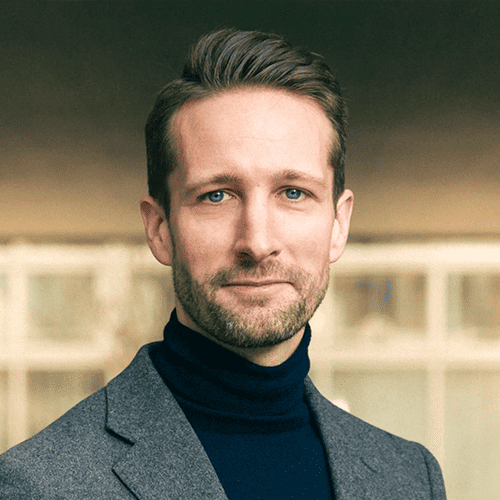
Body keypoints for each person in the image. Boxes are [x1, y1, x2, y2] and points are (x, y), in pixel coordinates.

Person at [0, 29, 446, 499]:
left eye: (294, 192)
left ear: (338, 224)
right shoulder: (37, 484)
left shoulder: (410, 478)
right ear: (160, 229)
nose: (257, 242)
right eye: (217, 196)